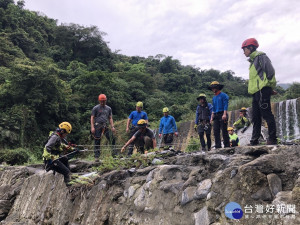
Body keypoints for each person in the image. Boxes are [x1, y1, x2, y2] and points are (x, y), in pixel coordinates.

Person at [241, 38, 277, 145]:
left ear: (251, 48)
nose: (244, 52)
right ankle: (254, 140)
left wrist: (269, 87)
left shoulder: (260, 56)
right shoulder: (252, 62)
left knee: (266, 114)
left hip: (262, 90)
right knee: (255, 117)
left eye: (244, 49)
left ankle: (272, 139)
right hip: (255, 92)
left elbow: (270, 71)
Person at [42, 122, 75, 186]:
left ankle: (69, 174)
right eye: (66, 134)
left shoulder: (58, 137)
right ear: (62, 131)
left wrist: (72, 149)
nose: (66, 135)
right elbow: (47, 147)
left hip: (55, 157)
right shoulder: (55, 137)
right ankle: (69, 185)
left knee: (65, 158)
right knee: (66, 172)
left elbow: (60, 145)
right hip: (50, 160)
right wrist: (49, 159)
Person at [91, 94, 116, 161]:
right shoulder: (95, 108)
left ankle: (114, 154)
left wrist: (112, 126)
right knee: (97, 140)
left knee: (112, 138)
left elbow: (110, 118)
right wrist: (92, 127)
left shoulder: (108, 108)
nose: (102, 102)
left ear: (106, 100)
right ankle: (97, 156)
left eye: (104, 101)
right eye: (101, 101)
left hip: (105, 125)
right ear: (99, 101)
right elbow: (92, 117)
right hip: (97, 125)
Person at [209, 81, 230, 148]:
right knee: (216, 131)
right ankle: (218, 146)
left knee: (224, 130)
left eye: (214, 87)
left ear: (218, 87)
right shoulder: (214, 98)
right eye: (212, 88)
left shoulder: (223, 95)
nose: (213, 89)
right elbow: (214, 107)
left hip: (222, 113)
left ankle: (227, 145)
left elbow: (225, 105)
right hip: (216, 115)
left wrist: (224, 114)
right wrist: (212, 117)